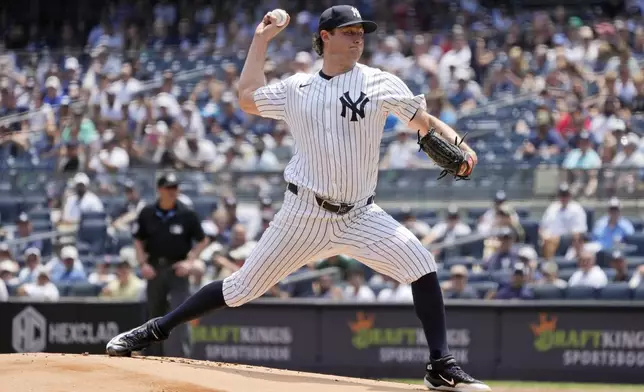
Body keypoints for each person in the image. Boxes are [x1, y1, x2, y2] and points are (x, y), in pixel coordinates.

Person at [106, 6, 488, 392]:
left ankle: (440, 365)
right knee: (240, 290)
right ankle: (155, 329)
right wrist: (261, 39)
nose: (358, 37)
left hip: (360, 214)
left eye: (361, 31)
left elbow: (424, 122)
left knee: (421, 262)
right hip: (304, 213)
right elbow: (247, 98)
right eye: (349, 31)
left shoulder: (381, 83)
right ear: (326, 36)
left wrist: (460, 146)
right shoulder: (297, 88)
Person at [129, 172, 210, 357]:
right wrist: (143, 264)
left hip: (178, 270)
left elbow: (202, 240)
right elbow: (138, 240)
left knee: (179, 313)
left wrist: (190, 262)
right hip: (155, 269)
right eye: (169, 188)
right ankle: (151, 357)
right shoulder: (148, 212)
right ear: (160, 190)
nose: (173, 191)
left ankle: (180, 358)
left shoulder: (186, 213)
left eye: (175, 187)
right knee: (154, 314)